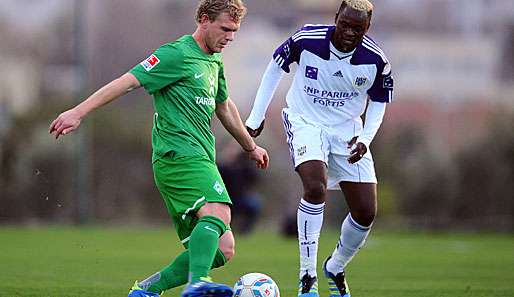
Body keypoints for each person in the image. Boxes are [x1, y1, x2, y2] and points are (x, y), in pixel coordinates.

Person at [49, 1, 269, 297]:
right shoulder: (175, 54)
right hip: (178, 155)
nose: (230, 37)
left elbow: (224, 106)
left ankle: (146, 290)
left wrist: (250, 147)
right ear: (204, 20)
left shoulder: (214, 61)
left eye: (235, 31)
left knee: (224, 248)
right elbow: (126, 82)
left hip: (200, 156)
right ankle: (198, 282)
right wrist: (78, 111)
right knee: (218, 211)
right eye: (225, 29)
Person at [245, 1, 394, 296]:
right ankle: (307, 278)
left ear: (367, 28)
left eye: (358, 28)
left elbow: (379, 101)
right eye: (345, 24)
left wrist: (365, 138)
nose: (350, 32)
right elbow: (275, 67)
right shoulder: (307, 39)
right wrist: (256, 116)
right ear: (336, 17)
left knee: (365, 212)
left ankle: (335, 266)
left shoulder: (376, 60)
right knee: (315, 188)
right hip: (305, 122)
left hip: (348, 132)